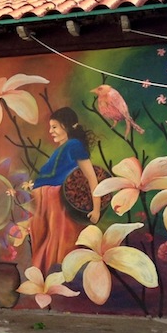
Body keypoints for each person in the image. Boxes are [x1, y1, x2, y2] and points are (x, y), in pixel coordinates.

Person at [30, 107, 100, 274]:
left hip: (57, 202)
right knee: (46, 240)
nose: (50, 131)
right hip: (46, 203)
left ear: (67, 126)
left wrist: (96, 208)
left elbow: (91, 177)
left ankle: (59, 276)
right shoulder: (63, 148)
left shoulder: (74, 145)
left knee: (59, 241)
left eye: (55, 127)